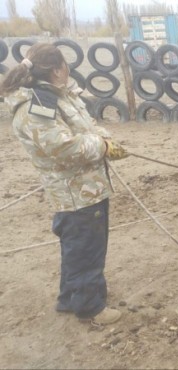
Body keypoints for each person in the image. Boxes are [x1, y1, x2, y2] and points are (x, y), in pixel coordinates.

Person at [0, 43, 128, 325]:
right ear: (57, 69)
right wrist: (102, 147)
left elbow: (84, 128)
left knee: (78, 247)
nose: (68, 68)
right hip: (76, 192)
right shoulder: (39, 104)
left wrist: (107, 140)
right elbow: (61, 147)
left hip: (85, 187)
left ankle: (71, 298)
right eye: (65, 64)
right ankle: (90, 309)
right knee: (86, 250)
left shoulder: (55, 95)